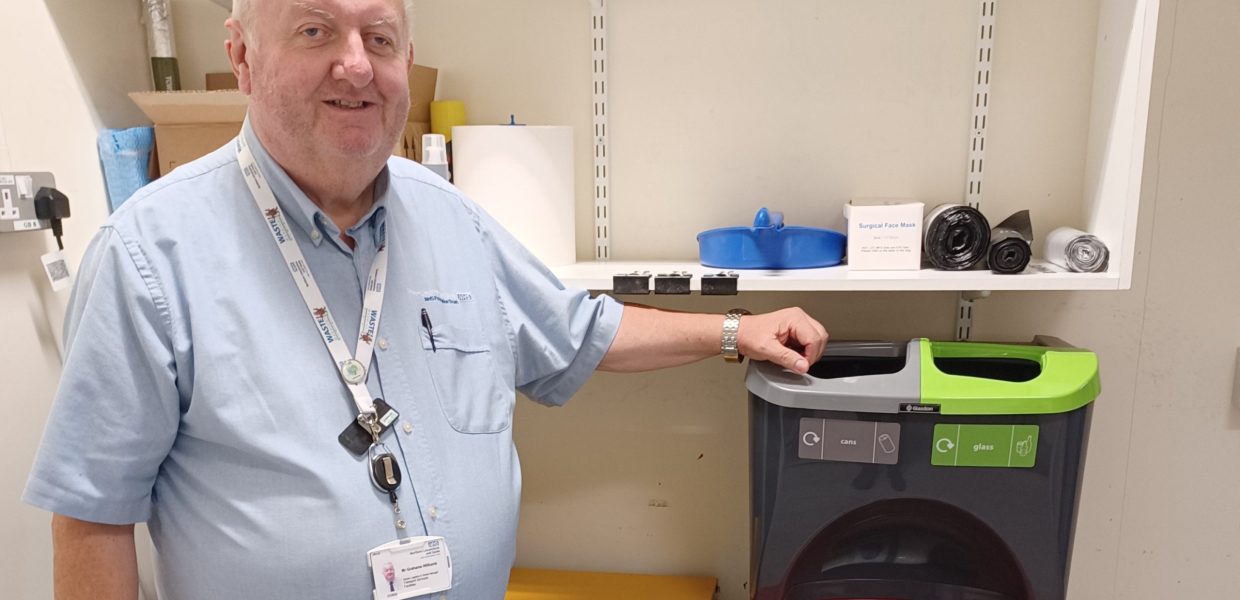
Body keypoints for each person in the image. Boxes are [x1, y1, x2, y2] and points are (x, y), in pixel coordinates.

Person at [23, 0, 828, 599]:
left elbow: (578, 330)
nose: (356, 65)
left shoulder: (452, 218)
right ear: (241, 57)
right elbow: (93, 516)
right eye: (314, 30)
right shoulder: (148, 256)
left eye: (379, 39)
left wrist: (735, 330)